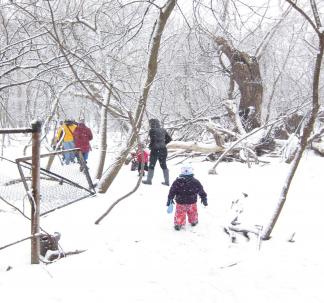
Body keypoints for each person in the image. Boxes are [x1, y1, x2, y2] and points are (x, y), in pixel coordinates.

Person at [167, 165, 207, 231]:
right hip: (192, 202)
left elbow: (172, 191)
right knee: (192, 212)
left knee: (180, 213)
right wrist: (204, 198)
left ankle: (178, 223)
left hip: (181, 202)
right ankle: (193, 221)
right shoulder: (195, 182)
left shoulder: (177, 182)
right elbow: (201, 190)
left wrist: (170, 199)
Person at [142, 119, 172, 185]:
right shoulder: (163, 130)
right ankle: (167, 182)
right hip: (163, 150)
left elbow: (153, 140)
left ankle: (149, 181)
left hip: (155, 150)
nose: (149, 125)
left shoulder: (152, 130)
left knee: (151, 165)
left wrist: (151, 146)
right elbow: (169, 139)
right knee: (163, 165)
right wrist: (163, 143)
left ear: (152, 124)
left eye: (150, 124)